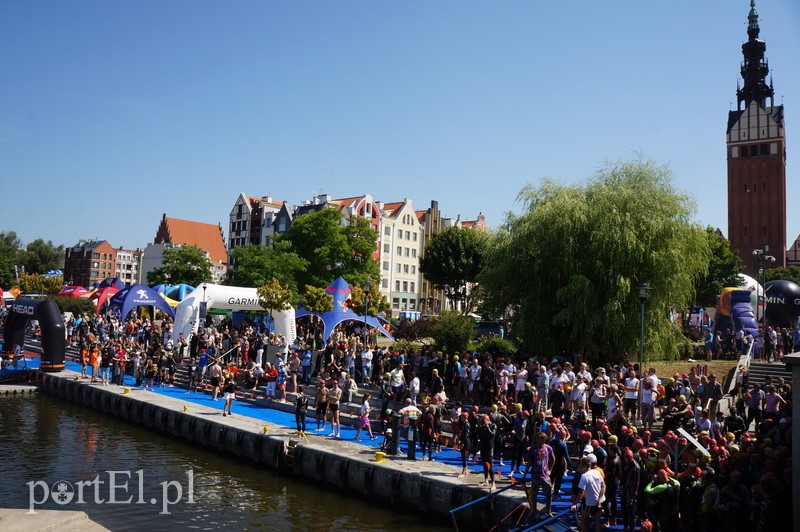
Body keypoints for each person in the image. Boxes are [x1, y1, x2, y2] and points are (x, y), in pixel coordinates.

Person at [571, 454, 605, 532]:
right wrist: (600, 498)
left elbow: (581, 492)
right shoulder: (596, 472)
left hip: (590, 503)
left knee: (584, 520)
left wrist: (574, 503)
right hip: (599, 502)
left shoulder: (584, 476)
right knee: (597, 520)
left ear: (583, 466)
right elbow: (603, 486)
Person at [524, 431, 556, 514]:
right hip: (535, 475)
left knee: (548, 494)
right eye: (537, 439)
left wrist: (550, 470)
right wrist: (525, 474)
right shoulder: (533, 448)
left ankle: (548, 511)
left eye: (540, 440)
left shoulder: (548, 448)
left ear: (544, 440)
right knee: (534, 494)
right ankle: (534, 510)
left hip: (545, 475)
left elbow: (553, 459)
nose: (538, 441)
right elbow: (529, 462)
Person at [477, 414, 497, 490]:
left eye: (484, 420)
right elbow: (477, 434)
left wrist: (487, 427)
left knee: (489, 465)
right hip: (483, 447)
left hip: (489, 448)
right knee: (484, 464)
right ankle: (486, 480)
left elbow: (493, 435)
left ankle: (493, 483)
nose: (484, 422)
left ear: (488, 420)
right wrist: (480, 426)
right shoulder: (483, 426)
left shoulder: (493, 425)